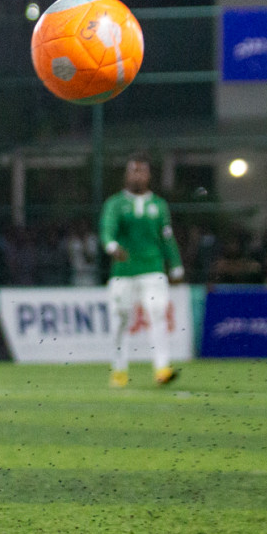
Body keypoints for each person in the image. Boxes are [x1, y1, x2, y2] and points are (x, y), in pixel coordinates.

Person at [100, 153, 184, 387]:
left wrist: (175, 264)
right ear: (127, 175)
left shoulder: (158, 205)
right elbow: (107, 229)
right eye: (134, 170)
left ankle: (162, 368)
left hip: (152, 267)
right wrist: (112, 246)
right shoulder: (115, 203)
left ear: (148, 175)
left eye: (142, 171)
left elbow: (167, 237)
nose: (138, 175)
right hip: (123, 270)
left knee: (157, 313)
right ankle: (119, 371)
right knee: (119, 321)